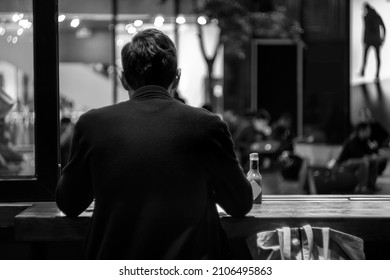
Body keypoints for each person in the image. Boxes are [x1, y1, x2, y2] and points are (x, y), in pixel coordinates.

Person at [56, 28, 253, 260]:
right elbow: (240, 203)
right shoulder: (207, 125)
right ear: (176, 78)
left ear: (123, 79)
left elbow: (69, 203)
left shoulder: (92, 125)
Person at [336, 122, 381, 193]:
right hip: (345, 162)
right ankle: (361, 187)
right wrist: (370, 157)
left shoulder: (364, 140)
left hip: (356, 160)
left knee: (374, 161)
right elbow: (357, 154)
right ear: (362, 130)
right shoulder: (353, 139)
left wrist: (374, 155)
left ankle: (371, 185)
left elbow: (369, 152)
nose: (370, 132)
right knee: (364, 162)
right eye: (368, 130)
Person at [359, 2, 386, 81]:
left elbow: (383, 27)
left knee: (371, 57)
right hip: (373, 40)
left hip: (372, 40)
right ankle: (367, 72)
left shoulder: (368, 16)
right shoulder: (373, 16)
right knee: (372, 57)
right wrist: (383, 39)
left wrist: (383, 39)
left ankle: (374, 74)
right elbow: (366, 29)